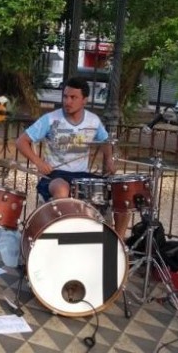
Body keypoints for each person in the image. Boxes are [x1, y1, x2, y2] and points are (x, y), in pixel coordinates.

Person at [16, 76, 124, 236]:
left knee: (122, 194)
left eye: (73, 97)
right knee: (61, 188)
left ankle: (118, 246)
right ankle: (63, 238)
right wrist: (38, 162)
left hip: (82, 177)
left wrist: (109, 159)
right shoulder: (51, 119)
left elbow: (105, 141)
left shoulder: (93, 121)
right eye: (65, 96)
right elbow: (21, 141)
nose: (68, 101)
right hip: (54, 175)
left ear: (84, 100)